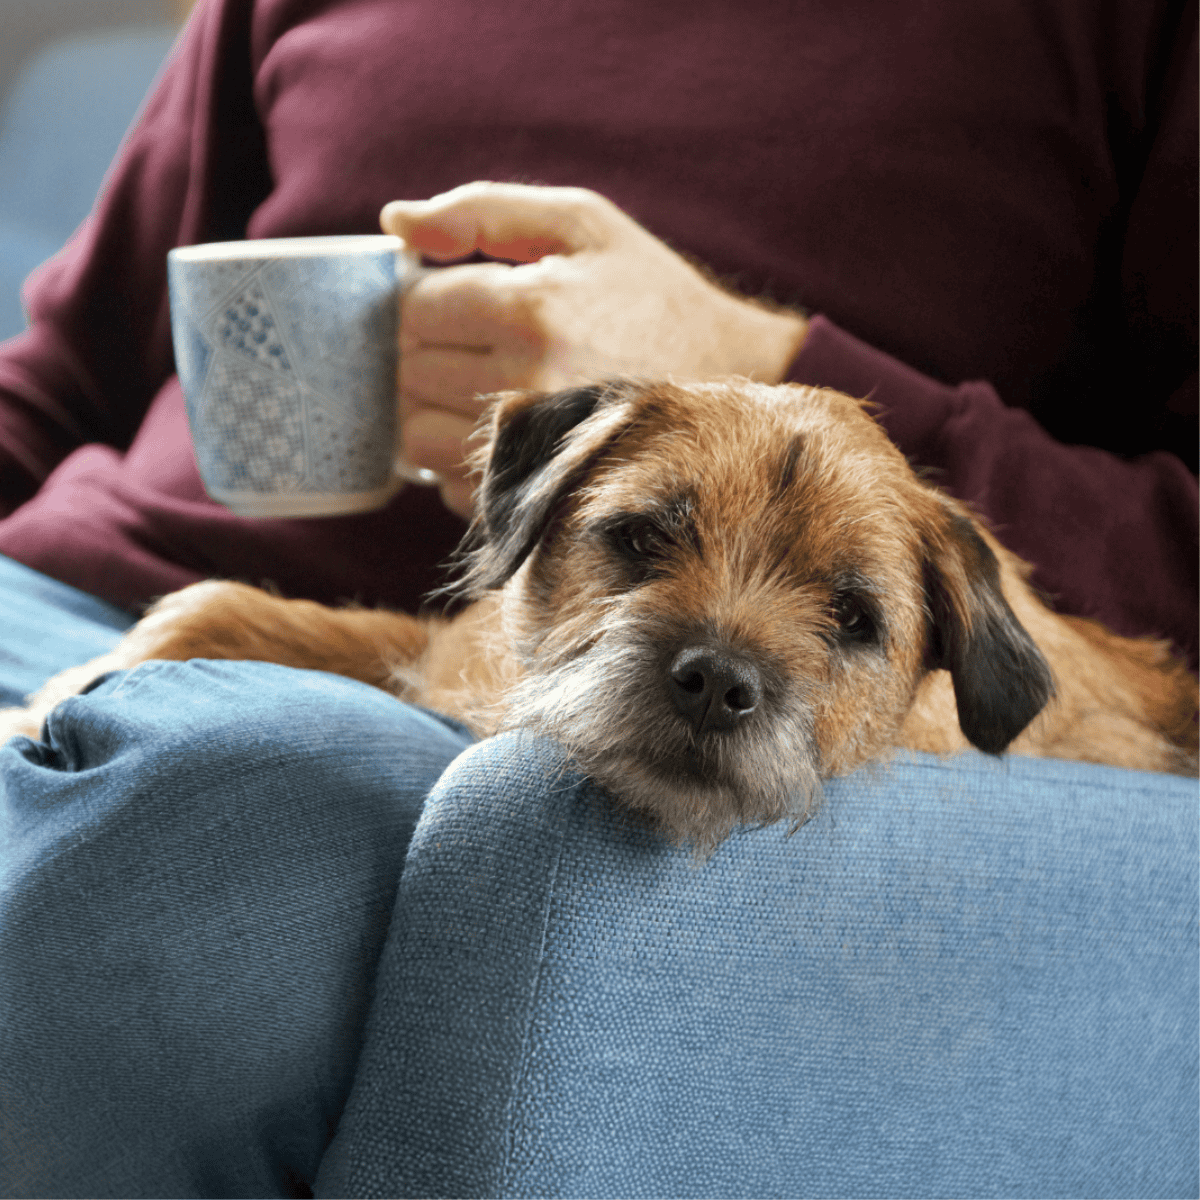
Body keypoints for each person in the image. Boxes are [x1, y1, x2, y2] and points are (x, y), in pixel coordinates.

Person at [0, 0, 1195, 1195]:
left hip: (307, 741)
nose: (722, 655)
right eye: (641, 541)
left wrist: (756, 356)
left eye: (843, 614)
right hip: (60, 581)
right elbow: (62, 374)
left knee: (188, 824)